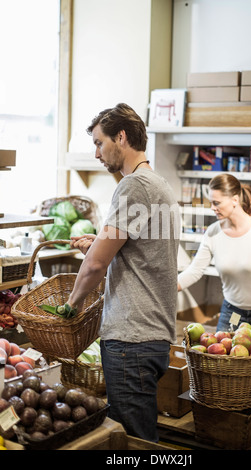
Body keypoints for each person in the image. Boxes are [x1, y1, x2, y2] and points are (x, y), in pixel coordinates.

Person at [66, 103, 180, 442]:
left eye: (100, 143)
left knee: (132, 440)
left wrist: (70, 305)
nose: (96, 153)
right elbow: (139, 251)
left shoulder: (132, 187)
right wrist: (98, 243)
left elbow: (97, 265)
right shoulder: (158, 185)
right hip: (153, 335)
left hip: (131, 337)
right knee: (140, 434)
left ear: (121, 137)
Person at [178, 173, 251, 332]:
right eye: (211, 202)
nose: (212, 207)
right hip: (233, 312)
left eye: (216, 202)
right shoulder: (213, 233)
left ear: (234, 200)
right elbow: (195, 270)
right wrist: (167, 287)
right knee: (218, 355)